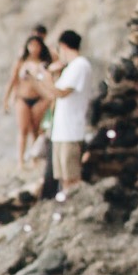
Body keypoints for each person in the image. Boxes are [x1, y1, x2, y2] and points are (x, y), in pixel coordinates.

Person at [47, 29, 92, 195]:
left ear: (63, 46)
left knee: (72, 177)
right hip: (61, 131)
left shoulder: (80, 65)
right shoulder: (70, 68)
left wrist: (44, 76)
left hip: (71, 131)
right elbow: (53, 93)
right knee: (63, 178)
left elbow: (62, 93)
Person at [1, 34, 54, 169]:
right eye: (31, 45)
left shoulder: (45, 63)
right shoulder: (22, 62)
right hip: (22, 98)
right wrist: (6, 99)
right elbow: (12, 80)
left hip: (39, 98)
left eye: (37, 45)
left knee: (36, 129)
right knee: (23, 129)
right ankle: (20, 160)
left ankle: (34, 157)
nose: (34, 48)